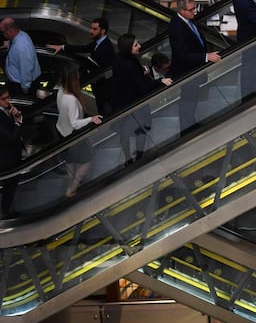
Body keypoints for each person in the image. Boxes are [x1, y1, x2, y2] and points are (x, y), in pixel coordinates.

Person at [111, 34, 173, 165]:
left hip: (120, 102)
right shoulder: (130, 64)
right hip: (134, 103)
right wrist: (160, 81)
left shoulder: (119, 59)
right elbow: (143, 87)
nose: (139, 46)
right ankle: (138, 157)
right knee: (141, 129)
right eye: (135, 45)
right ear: (128, 48)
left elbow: (128, 78)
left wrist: (139, 73)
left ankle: (128, 158)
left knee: (124, 132)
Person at [168, 0, 222, 134]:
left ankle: (190, 124)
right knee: (188, 101)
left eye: (195, 8)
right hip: (187, 71)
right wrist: (206, 56)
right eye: (191, 10)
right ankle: (186, 129)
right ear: (181, 11)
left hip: (194, 69)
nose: (195, 12)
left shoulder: (187, 21)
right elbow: (183, 55)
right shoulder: (177, 28)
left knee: (192, 99)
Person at [48, 17, 115, 116]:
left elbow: (103, 69)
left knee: (106, 110)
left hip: (104, 88)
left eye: (94, 29)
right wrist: (62, 47)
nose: (91, 31)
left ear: (103, 31)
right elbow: (84, 48)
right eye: (91, 28)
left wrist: (87, 70)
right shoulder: (98, 42)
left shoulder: (106, 48)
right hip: (99, 86)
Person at [56, 67, 103, 198]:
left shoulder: (60, 91)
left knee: (70, 161)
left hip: (62, 131)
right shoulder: (71, 99)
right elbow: (75, 124)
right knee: (87, 161)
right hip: (74, 136)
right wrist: (91, 119)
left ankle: (69, 182)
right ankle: (72, 188)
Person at [1, 18, 41, 98]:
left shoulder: (22, 47)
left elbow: (26, 69)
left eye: (3, 32)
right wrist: (8, 44)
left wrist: (25, 88)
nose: (3, 35)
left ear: (10, 31)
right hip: (17, 83)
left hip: (21, 87)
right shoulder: (21, 35)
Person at [0, 86, 24, 219]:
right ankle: (6, 212)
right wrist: (17, 123)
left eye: (8, 97)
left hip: (11, 154)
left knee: (11, 184)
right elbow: (10, 137)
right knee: (10, 184)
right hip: (6, 157)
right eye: (4, 99)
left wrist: (16, 116)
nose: (8, 101)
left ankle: (6, 209)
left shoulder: (6, 109)